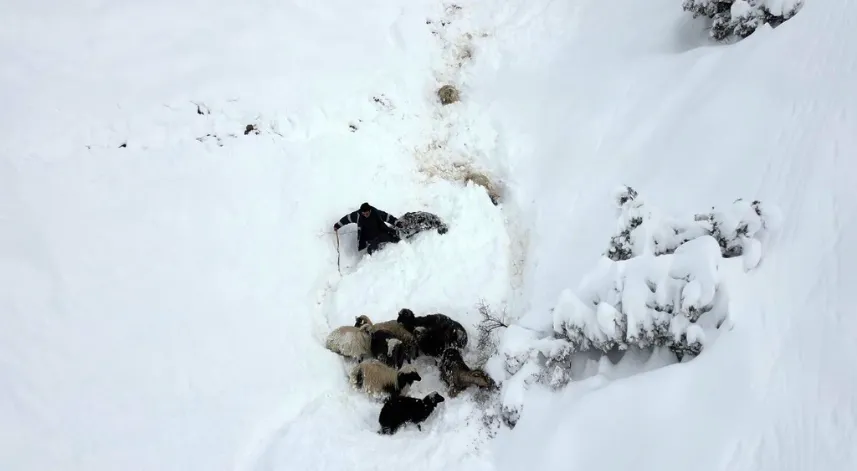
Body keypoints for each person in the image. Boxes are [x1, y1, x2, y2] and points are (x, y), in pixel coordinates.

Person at [333, 202, 402, 255]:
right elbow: (347, 218)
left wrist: (396, 222)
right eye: (364, 213)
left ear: (370, 210)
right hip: (368, 238)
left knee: (393, 238)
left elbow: (387, 217)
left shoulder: (376, 213)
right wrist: (337, 225)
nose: (365, 215)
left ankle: (400, 245)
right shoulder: (357, 215)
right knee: (372, 248)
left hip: (380, 233)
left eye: (367, 213)